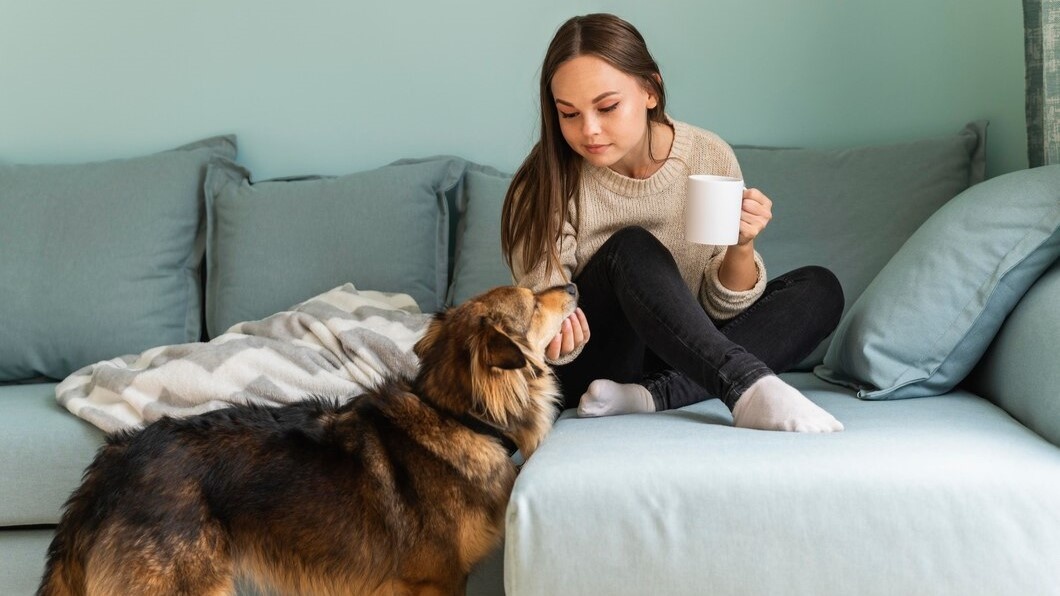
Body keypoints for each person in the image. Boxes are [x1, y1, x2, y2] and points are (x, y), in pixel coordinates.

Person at [500, 13, 845, 432]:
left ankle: (652, 396)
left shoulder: (707, 155)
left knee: (820, 289)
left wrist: (741, 245)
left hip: (688, 351)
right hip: (595, 358)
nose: (588, 130)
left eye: (607, 107)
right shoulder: (546, 181)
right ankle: (744, 385)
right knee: (630, 246)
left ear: (650, 89)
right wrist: (553, 327)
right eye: (569, 114)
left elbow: (721, 310)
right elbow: (546, 318)